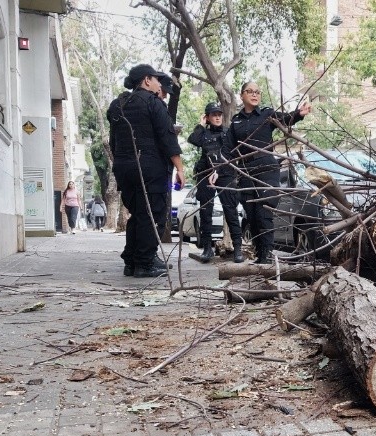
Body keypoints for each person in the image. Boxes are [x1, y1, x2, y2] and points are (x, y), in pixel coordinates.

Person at [107, 64, 186, 278]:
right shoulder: (153, 103)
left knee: (139, 214)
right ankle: (145, 263)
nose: (160, 84)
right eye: (157, 80)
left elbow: (113, 142)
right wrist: (179, 169)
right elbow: (167, 139)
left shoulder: (117, 105)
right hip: (150, 169)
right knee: (153, 214)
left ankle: (131, 261)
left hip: (124, 169)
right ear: (147, 80)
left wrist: (124, 165)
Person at [224, 82, 311, 264]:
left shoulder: (266, 113)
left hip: (267, 169)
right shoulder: (236, 121)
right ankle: (260, 253)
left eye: (257, 92)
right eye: (250, 91)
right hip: (247, 172)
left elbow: (285, 118)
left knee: (264, 213)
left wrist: (298, 114)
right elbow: (228, 150)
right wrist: (219, 170)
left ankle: (267, 255)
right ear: (242, 95)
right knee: (252, 215)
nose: (255, 95)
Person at [188, 102, 244, 263]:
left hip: (225, 174)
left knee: (231, 211)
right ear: (207, 117)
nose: (218, 117)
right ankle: (207, 248)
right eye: (214, 115)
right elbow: (193, 139)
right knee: (205, 212)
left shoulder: (228, 132)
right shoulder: (203, 134)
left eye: (219, 114)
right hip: (206, 174)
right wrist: (200, 124)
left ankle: (237, 249)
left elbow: (235, 151)